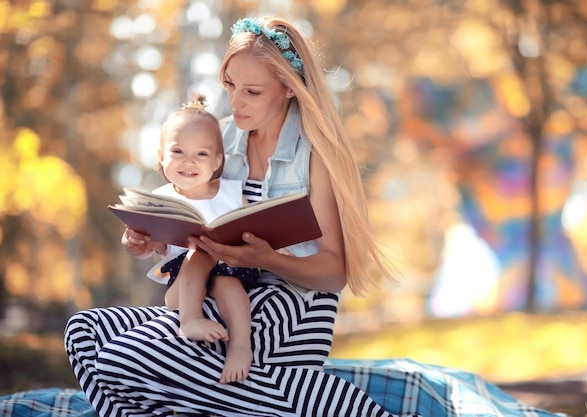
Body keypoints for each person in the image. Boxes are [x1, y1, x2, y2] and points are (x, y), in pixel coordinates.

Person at [65, 16, 560, 417]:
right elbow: (187, 210)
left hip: (294, 305)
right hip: (220, 294)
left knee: (125, 360)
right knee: (85, 334)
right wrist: (149, 236)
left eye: (252, 92)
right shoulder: (219, 136)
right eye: (230, 85)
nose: (235, 102)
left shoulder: (316, 155)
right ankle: (284, 399)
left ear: (289, 89)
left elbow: (332, 272)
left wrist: (266, 259)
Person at [122, 93, 258, 384]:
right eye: (178, 151)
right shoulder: (159, 201)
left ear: (217, 161)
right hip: (182, 284)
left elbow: (251, 227)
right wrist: (137, 244)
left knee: (222, 276)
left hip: (229, 271)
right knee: (196, 254)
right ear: (161, 156)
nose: (189, 162)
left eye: (201, 154)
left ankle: (240, 346)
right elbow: (153, 246)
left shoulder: (231, 192)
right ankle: (190, 320)